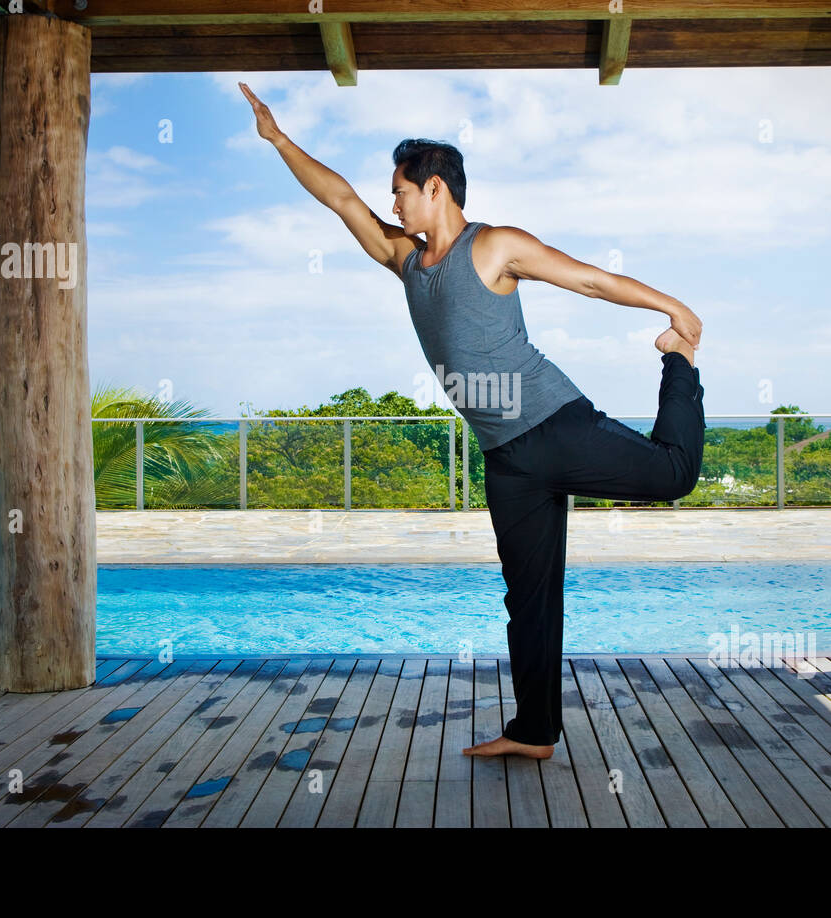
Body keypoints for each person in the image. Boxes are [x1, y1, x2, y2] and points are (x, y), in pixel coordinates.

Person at [240, 83, 706, 760]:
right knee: (530, 599)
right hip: (507, 459)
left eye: (400, 191)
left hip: (555, 424)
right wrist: (279, 140)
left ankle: (680, 366)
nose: (392, 203)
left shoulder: (496, 246)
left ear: (435, 189)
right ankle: (534, 731)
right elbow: (341, 200)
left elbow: (591, 280)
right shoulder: (406, 261)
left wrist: (674, 311)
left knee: (674, 474)